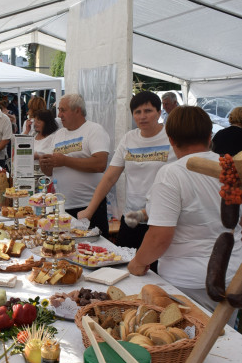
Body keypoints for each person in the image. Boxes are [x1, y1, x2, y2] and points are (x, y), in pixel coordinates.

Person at [127, 106, 242, 326]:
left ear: (171, 140)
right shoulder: (231, 169)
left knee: (194, 344)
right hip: (232, 273)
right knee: (226, 343)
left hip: (188, 282)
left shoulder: (172, 173)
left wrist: (138, 262)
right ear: (210, 137)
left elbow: (159, 236)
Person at [78, 91, 174, 249]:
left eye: (148, 111)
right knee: (125, 268)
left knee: (155, 271)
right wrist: (89, 210)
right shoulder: (129, 138)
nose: (142, 116)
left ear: (158, 112)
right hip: (131, 219)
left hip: (161, 219)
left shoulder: (171, 138)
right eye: (137, 112)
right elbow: (109, 178)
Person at [39, 93, 110, 237]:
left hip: (90, 207)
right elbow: (50, 172)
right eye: (58, 110)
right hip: (63, 207)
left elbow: (100, 164)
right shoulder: (58, 135)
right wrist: (45, 164)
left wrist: (65, 160)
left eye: (63, 110)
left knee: (94, 254)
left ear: (77, 110)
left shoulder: (94, 130)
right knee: (65, 252)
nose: (59, 115)